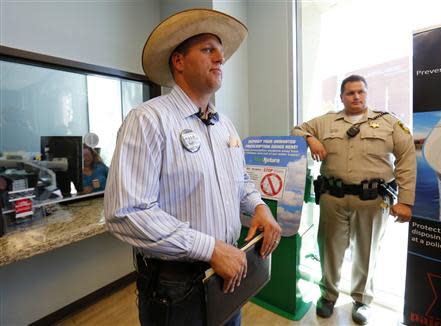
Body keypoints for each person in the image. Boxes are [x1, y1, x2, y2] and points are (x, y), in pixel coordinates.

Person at [104, 8, 281, 326]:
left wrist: (259, 206)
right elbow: (126, 212)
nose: (220, 59)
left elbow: (239, 180)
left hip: (229, 275)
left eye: (221, 53)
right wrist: (210, 248)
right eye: (208, 50)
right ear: (179, 61)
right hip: (176, 290)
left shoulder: (225, 125)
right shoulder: (148, 120)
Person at [292, 75, 416, 325]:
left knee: (367, 252)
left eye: (360, 92)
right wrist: (310, 139)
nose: (356, 97)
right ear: (342, 97)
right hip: (332, 199)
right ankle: (328, 295)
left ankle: (362, 300)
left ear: (367, 94)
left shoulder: (389, 123)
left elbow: (406, 157)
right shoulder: (325, 122)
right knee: (329, 249)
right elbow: (297, 129)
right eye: (350, 93)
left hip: (371, 201)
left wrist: (405, 200)